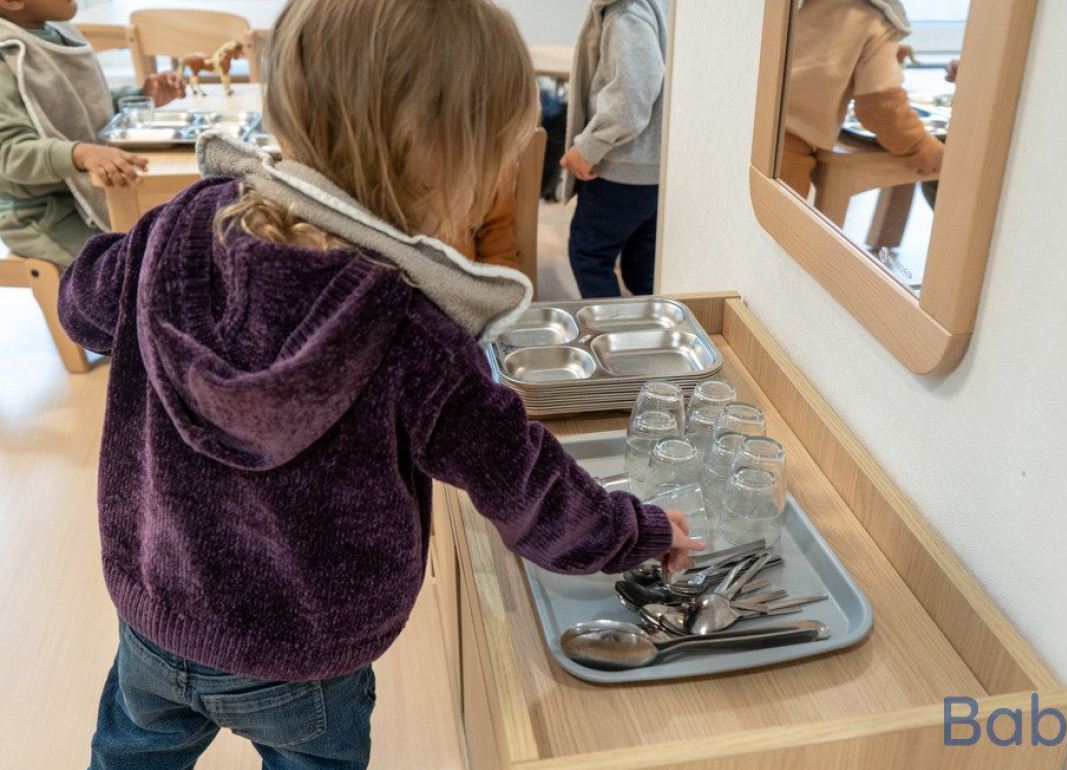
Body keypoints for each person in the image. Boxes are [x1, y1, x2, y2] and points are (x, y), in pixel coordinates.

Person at [59, 1, 699, 767]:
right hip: (308, 656)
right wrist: (639, 531)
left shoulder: (172, 230)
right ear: (455, 161)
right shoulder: (414, 330)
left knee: (127, 755)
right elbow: (530, 491)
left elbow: (82, 305)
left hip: (155, 614)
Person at [0, 0, 184, 266]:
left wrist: (139, 96)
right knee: (125, 269)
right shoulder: (8, 51)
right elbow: (8, 152)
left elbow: (79, 106)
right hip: (39, 215)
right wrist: (80, 154)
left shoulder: (60, 32)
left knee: (167, 245)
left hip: (90, 193)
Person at [779, 0, 944, 197]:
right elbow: (880, 107)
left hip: (745, 114)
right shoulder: (877, 17)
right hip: (785, 149)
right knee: (775, 223)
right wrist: (919, 144)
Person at [560, 0, 667, 299]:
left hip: (621, 167)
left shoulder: (626, 13)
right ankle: (645, 335)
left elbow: (630, 99)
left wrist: (588, 148)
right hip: (655, 167)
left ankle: (611, 336)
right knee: (642, 266)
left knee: (589, 255)